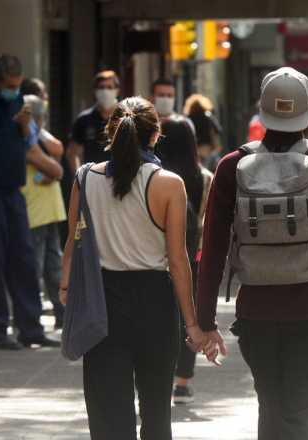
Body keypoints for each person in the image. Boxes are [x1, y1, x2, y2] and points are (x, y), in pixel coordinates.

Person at [196, 67, 308, 440]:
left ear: (262, 109)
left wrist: (205, 319)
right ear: (307, 111)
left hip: (257, 310)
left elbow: (213, 249)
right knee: (299, 412)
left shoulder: (230, 167)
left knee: (271, 404)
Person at [59, 97, 222, 440]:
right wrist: (193, 324)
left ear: (110, 132)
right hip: (156, 305)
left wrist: (64, 290)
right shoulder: (168, 183)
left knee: (108, 416)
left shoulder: (85, 178)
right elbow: (178, 260)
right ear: (155, 134)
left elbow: (73, 243)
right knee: (156, 413)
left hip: (102, 302)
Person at [0, 54, 58, 350]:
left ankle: (30, 327)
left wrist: (22, 127)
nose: (13, 91)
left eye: (17, 86)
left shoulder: (20, 103)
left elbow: (29, 143)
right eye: (9, 86)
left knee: (24, 257)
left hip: (13, 189)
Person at [156, 114, 215, 404]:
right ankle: (182, 382)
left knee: (160, 317)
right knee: (190, 318)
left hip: (157, 258)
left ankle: (157, 376)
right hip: (195, 257)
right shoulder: (205, 179)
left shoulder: (155, 180)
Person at [21, 78, 67, 330]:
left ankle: (62, 315)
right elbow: (56, 168)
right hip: (33, 209)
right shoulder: (24, 138)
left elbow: (57, 152)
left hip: (48, 208)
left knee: (53, 266)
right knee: (35, 268)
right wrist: (50, 171)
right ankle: (29, 321)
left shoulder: (37, 135)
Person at [68, 70, 121, 172]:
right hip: (92, 178)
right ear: (95, 91)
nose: (105, 91)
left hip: (120, 179)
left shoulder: (126, 116)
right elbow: (72, 153)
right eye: (101, 87)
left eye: (109, 87)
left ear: (117, 90)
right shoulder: (84, 119)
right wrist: (79, 177)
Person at [183, 93, 224, 172]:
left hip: (194, 151)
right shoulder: (208, 116)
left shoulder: (188, 119)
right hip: (207, 149)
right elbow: (218, 131)